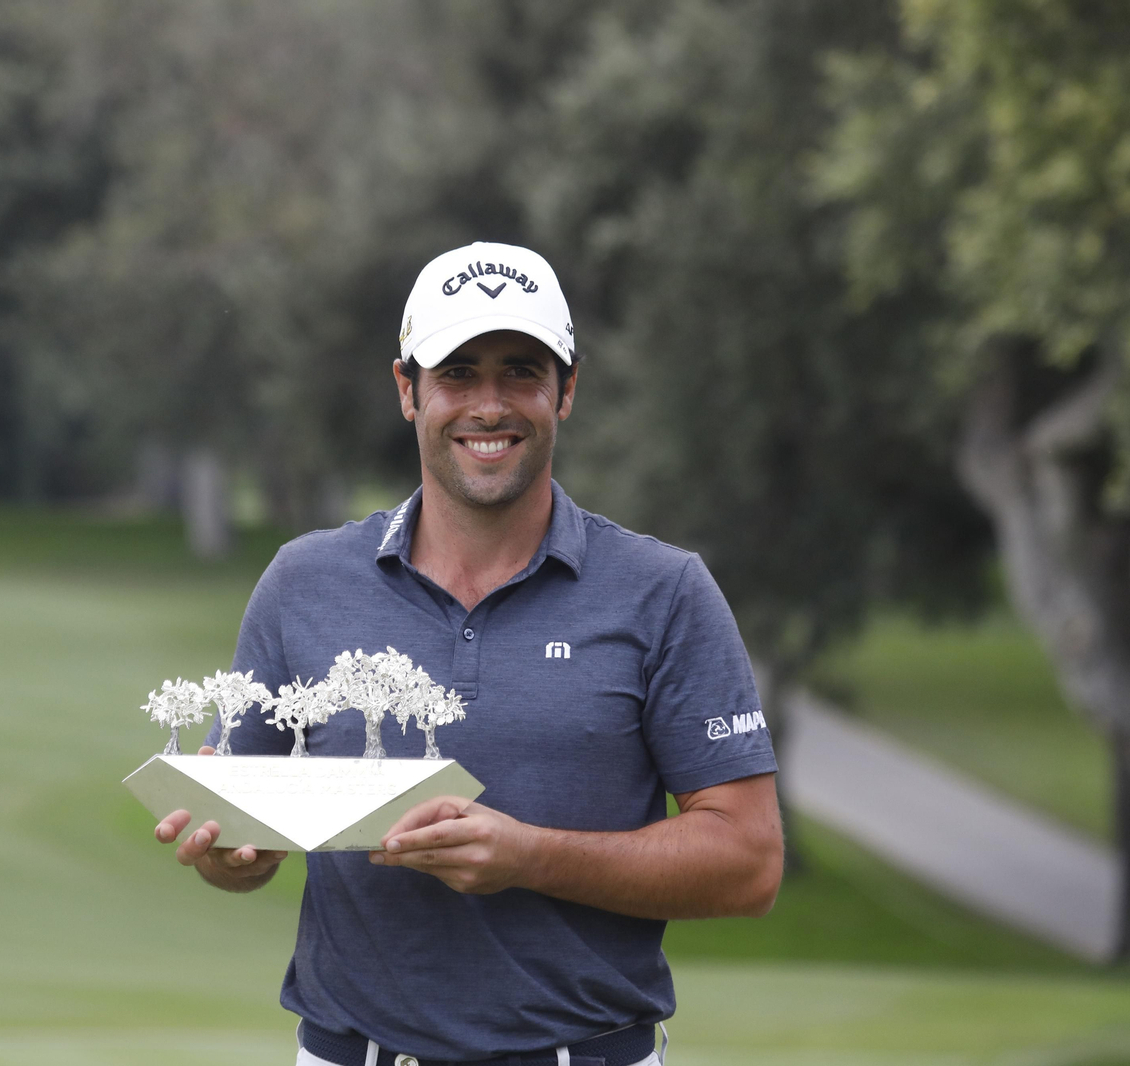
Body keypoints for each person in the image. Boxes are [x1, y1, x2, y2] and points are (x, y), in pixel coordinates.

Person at [155, 241, 783, 1066]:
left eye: (521, 371)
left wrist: (530, 856)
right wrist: (233, 860)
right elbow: (248, 846)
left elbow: (748, 862)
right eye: (457, 373)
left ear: (567, 391)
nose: (489, 405)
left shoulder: (663, 592)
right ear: (407, 390)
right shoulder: (303, 582)